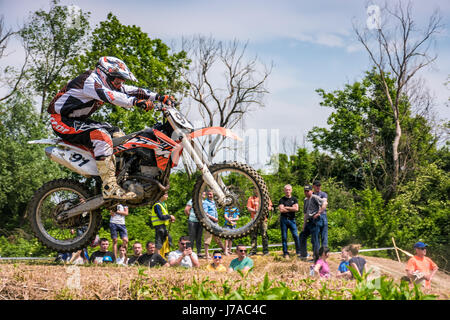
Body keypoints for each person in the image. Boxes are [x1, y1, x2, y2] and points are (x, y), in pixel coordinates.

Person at [47, 56, 175, 200]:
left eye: (122, 80)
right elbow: (111, 96)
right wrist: (136, 102)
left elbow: (132, 90)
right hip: (62, 121)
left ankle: (123, 177)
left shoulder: (106, 82)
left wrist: (158, 97)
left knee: (119, 136)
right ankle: (109, 186)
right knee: (101, 137)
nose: (120, 83)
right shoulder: (89, 81)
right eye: (117, 79)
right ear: (105, 73)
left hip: (77, 120)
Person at [299, 185, 327, 260]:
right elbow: (305, 213)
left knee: (315, 239)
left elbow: (324, 203)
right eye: (305, 191)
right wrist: (304, 225)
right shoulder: (305, 200)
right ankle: (304, 254)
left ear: (311, 191)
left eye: (308, 191)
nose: (306, 192)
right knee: (302, 235)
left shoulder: (314, 197)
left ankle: (316, 257)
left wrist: (319, 213)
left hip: (316, 220)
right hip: (309, 221)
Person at [202, 190, 227, 259]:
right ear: (207, 195)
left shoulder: (213, 202)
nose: (210, 195)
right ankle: (207, 255)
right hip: (209, 222)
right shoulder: (205, 203)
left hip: (215, 222)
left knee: (218, 237)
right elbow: (205, 213)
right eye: (209, 194)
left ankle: (224, 250)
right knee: (208, 238)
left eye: (211, 194)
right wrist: (213, 218)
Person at [278, 184, 301, 258]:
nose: (287, 191)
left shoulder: (294, 199)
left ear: (291, 190)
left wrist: (286, 207)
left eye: (289, 189)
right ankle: (285, 253)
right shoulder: (281, 199)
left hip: (292, 220)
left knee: (296, 236)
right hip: (284, 220)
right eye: (286, 190)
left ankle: (298, 252)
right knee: (284, 237)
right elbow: (281, 210)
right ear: (284, 190)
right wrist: (291, 208)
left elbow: (296, 209)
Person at [149, 191, 175, 256]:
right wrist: (169, 216)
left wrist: (169, 219)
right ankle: (157, 256)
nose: (167, 196)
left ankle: (165, 253)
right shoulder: (157, 205)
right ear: (161, 196)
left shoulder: (164, 204)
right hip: (158, 226)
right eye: (166, 195)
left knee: (168, 238)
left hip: (163, 226)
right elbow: (160, 217)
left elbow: (164, 216)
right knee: (159, 241)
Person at [248, 191, 273, 256]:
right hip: (254, 219)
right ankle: (253, 251)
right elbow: (249, 208)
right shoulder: (251, 198)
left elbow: (270, 207)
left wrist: (264, 210)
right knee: (253, 235)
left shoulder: (266, 197)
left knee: (264, 235)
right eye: (255, 189)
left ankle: (265, 251)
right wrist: (256, 211)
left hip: (263, 219)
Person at [184, 192, 206, 257]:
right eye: (203, 194)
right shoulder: (192, 200)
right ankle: (190, 252)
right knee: (192, 237)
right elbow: (186, 209)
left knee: (199, 237)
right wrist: (190, 216)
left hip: (200, 221)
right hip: (192, 221)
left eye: (204, 194)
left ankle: (199, 252)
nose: (204, 195)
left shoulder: (204, 202)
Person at [312, 181, 329, 248]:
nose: (318, 187)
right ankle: (317, 255)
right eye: (317, 186)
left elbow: (324, 204)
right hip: (314, 217)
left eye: (319, 185)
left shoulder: (323, 194)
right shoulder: (311, 194)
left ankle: (324, 253)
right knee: (315, 237)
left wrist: (319, 213)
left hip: (322, 215)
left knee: (324, 236)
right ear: (313, 186)